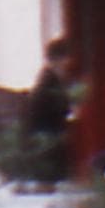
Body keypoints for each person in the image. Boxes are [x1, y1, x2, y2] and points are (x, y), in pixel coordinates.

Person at [21, 37, 79, 184]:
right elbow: (56, 108)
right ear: (59, 59)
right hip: (46, 133)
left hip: (44, 130)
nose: (69, 62)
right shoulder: (49, 81)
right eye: (66, 57)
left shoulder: (47, 77)